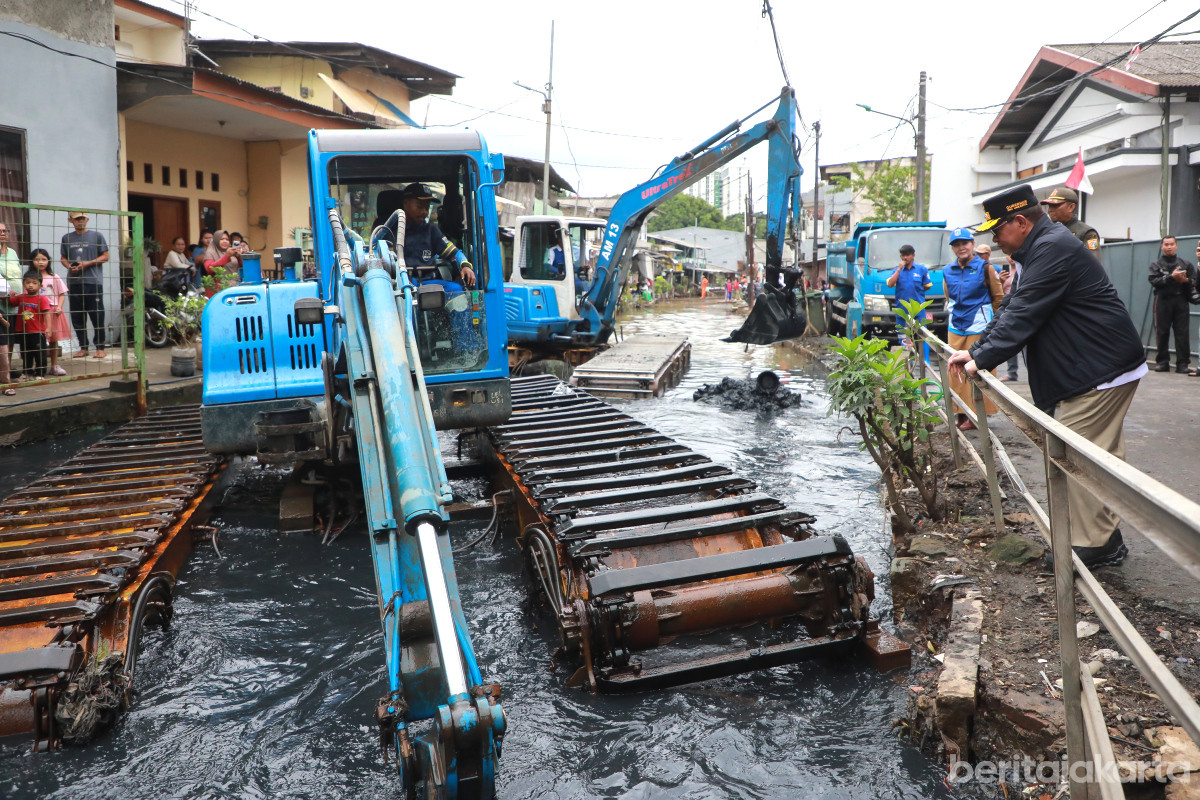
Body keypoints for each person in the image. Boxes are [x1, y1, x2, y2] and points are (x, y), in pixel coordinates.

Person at [949, 184, 1144, 569]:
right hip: (1090, 365)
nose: (995, 240)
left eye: (997, 231)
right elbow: (1013, 308)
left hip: (1097, 369)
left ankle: (1093, 546)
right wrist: (975, 352)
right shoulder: (1040, 247)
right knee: (1094, 455)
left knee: (1074, 457)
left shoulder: (1052, 247)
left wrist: (982, 357)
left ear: (1020, 222)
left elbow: (1024, 314)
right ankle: (1106, 537)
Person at [380, 182, 477, 349]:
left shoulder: (431, 231)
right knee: (406, 298)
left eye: (426, 207)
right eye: (420, 206)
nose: (425, 212)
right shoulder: (387, 230)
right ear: (405, 204)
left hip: (429, 284)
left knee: (456, 290)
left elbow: (455, 253)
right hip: (401, 285)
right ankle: (410, 351)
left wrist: (465, 266)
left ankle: (465, 349)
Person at [943, 228, 1004, 430]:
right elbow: (948, 297)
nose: (961, 248)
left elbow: (999, 298)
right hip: (956, 326)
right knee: (955, 371)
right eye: (956, 244)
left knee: (977, 368)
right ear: (953, 248)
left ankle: (976, 414)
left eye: (965, 243)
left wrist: (994, 325)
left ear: (972, 244)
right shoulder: (947, 271)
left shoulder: (985, 268)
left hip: (979, 325)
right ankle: (959, 412)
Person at [60, 211, 109, 359]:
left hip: (93, 282)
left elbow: (105, 256)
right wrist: (69, 266)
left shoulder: (97, 236)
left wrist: (87, 263)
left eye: (82, 218)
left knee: (97, 315)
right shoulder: (67, 238)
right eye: (76, 219)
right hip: (74, 282)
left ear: (87, 220)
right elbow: (63, 258)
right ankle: (83, 347)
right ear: (70, 221)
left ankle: (100, 347)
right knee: (77, 316)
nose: (80, 221)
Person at [1147, 235, 1196, 373]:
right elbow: (1153, 281)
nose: (1169, 247)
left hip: (1180, 301)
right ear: (1162, 246)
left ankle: (1182, 364)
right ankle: (1163, 362)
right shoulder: (1155, 265)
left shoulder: (1185, 264)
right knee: (1162, 332)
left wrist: (1185, 280)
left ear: (1176, 246)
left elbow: (1193, 282)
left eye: (1171, 244)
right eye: (1166, 244)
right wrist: (1171, 277)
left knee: (1182, 332)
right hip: (1163, 300)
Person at [979, 243, 1020, 382]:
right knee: (1009, 339)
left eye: (982, 254)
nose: (1011, 258)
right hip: (1007, 308)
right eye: (1009, 255)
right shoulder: (1002, 270)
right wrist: (1001, 281)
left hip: (1022, 307)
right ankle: (1011, 372)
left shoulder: (1022, 269)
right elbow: (997, 292)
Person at [32, 249, 69, 376]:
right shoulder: (30, 278)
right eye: (37, 259)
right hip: (36, 312)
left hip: (53, 311)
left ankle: (54, 365)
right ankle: (37, 367)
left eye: (44, 259)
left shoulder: (54, 277)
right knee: (36, 340)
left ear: (48, 261)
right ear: (32, 261)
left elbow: (62, 294)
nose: (41, 262)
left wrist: (59, 306)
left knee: (53, 340)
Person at [1040, 186, 1101, 260]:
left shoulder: (1086, 233)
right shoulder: (1048, 232)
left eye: (1055, 206)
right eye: (1049, 206)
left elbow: (1094, 262)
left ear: (1071, 207)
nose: (1050, 210)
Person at [13, 269, 51, 379]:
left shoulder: (42, 299)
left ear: (40, 285)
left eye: (34, 283)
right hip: (23, 331)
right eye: (28, 282)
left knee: (39, 354)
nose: (30, 285)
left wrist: (48, 328)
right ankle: (27, 372)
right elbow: (10, 301)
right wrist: (9, 294)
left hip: (37, 332)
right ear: (23, 283)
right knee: (26, 354)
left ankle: (40, 373)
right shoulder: (21, 297)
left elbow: (47, 314)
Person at [885, 244, 932, 323]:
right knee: (902, 334)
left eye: (907, 255)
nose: (905, 258)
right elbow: (890, 284)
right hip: (902, 310)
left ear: (913, 255)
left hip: (918, 309)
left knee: (921, 333)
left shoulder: (922, 269)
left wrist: (917, 290)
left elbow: (927, 286)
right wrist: (899, 269)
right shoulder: (897, 271)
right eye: (903, 255)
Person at [0, 221, 20, 393]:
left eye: (5, 231)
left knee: (10, 340)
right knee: (2, 341)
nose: (2, 233)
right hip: (1, 305)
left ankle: (8, 368)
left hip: (15, 304)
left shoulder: (12, 252)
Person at [203, 230, 241, 296]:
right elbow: (209, 268)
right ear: (216, 240)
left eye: (227, 239)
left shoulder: (231, 251)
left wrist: (239, 257)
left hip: (235, 287)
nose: (225, 241)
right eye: (221, 239)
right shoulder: (210, 252)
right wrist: (227, 256)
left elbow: (242, 268)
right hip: (219, 289)